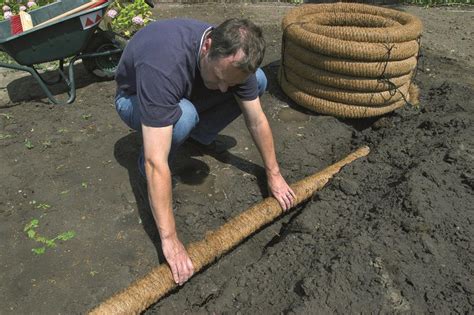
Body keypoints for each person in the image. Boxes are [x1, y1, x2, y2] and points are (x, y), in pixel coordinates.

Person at [114, 18, 296, 286]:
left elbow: (256, 119)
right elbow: (156, 162)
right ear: (208, 46)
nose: (224, 89)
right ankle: (166, 143)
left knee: (256, 82)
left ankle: (197, 137)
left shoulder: (232, 60)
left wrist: (274, 173)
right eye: (221, 78)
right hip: (133, 98)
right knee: (183, 117)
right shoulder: (163, 64)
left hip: (185, 88)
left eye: (230, 83)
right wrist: (170, 240)